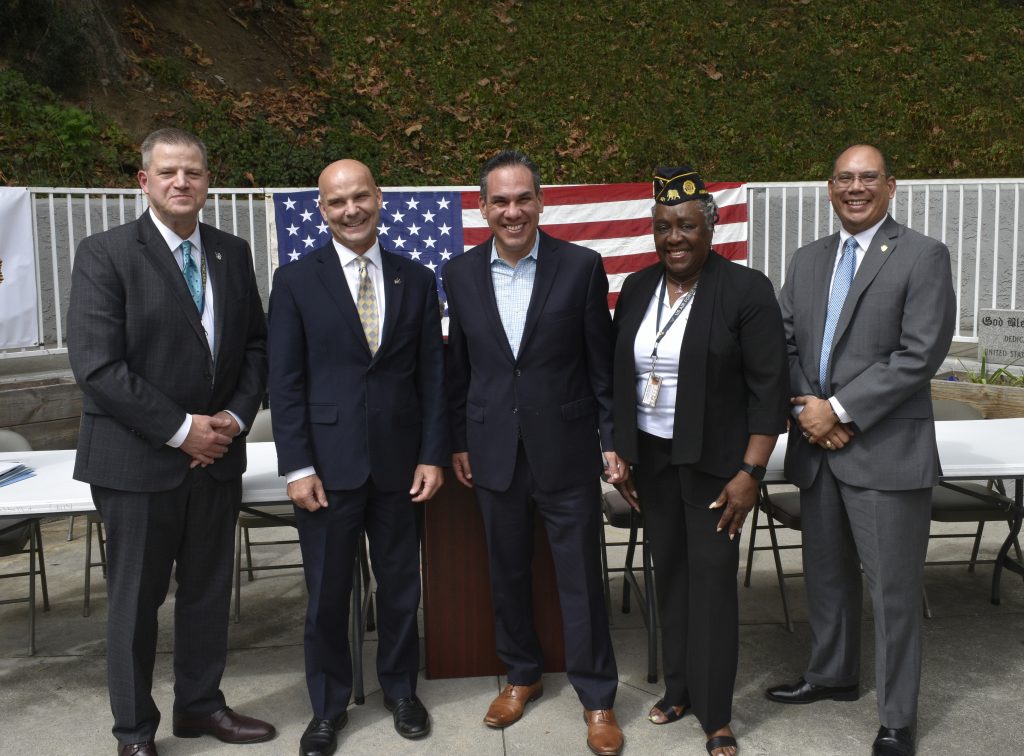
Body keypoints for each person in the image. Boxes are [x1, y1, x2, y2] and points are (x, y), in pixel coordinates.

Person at [67, 127, 273, 756]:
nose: (182, 183)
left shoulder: (232, 253)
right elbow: (98, 367)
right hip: (137, 463)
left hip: (217, 459)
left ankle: (200, 706)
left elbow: (256, 348)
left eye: (194, 173)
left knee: (208, 593)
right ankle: (134, 732)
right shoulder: (105, 253)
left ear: (208, 182)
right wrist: (185, 432)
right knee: (134, 603)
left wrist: (234, 420)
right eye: (168, 173)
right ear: (144, 182)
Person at [766, 144, 956, 756]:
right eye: (845, 178)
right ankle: (831, 674)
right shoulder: (808, 258)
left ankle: (897, 717)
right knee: (825, 576)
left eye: (867, 178)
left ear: (890, 186)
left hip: (886, 452)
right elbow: (785, 343)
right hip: (818, 448)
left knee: (892, 591)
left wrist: (840, 410)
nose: (855, 188)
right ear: (829, 188)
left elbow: (919, 352)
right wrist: (809, 410)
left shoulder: (923, 255)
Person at [445, 150, 626, 756]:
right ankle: (521, 675)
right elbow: (458, 371)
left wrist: (610, 441)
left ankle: (597, 697)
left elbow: (601, 366)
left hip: (566, 452)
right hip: (493, 452)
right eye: (500, 200)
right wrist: (458, 441)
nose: (513, 210)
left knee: (580, 580)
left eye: (523, 198)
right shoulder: (460, 274)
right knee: (507, 575)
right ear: (483, 207)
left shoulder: (581, 267)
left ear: (541, 202)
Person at [268, 159, 448, 756]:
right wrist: (296, 467)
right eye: (337, 201)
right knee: (325, 595)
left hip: (401, 469)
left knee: (400, 589)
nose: (350, 210)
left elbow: (432, 377)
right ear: (321, 209)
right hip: (324, 470)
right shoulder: (295, 280)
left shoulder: (416, 279)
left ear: (380, 199)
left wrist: (431, 455)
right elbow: (285, 382)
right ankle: (327, 707)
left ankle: (400, 690)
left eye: (360, 197)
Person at [611, 166, 789, 756]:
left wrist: (751, 474)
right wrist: (624, 455)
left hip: (719, 468)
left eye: (686, 225)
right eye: (663, 227)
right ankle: (681, 687)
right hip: (655, 461)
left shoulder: (746, 290)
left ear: (709, 227)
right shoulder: (637, 289)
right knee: (673, 578)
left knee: (711, 585)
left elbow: (769, 392)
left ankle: (716, 716)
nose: (674, 238)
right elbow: (620, 378)